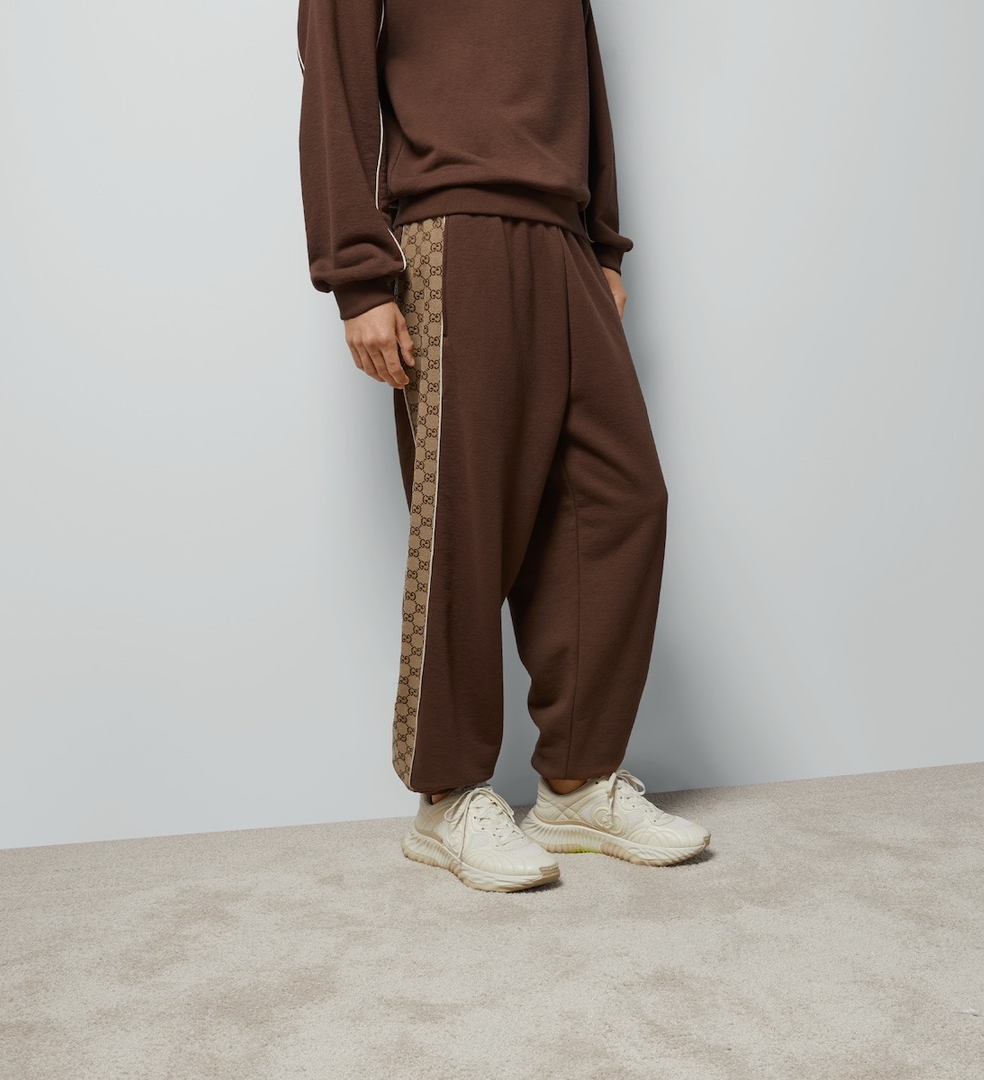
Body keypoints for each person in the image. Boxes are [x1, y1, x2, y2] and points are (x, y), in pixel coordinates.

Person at [296, 0, 710, 892]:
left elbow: (580, 66)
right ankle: (446, 797)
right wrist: (358, 275)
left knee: (620, 499)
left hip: (564, 237)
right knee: (465, 519)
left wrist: (604, 243)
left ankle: (577, 781)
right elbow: (333, 76)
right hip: (451, 229)